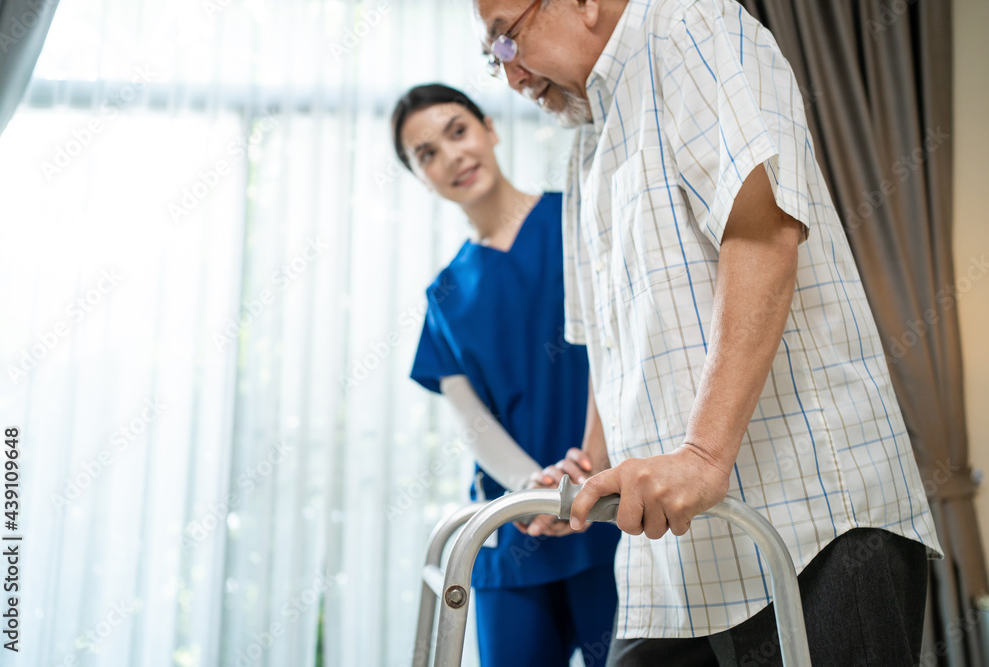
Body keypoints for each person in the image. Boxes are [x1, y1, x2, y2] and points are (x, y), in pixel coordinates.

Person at [469, 1, 943, 665]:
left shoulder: (690, 26)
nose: (513, 79)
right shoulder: (586, 139)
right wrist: (586, 469)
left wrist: (702, 454)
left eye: (507, 43)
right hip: (675, 566)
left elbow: (762, 232)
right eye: (494, 62)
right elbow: (612, 341)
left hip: (809, 523)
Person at [394, 83, 621, 667]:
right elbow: (472, 423)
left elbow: (618, 343)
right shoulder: (445, 294)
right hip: (514, 531)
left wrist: (579, 482)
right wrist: (533, 493)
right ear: (422, 177)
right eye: (427, 154)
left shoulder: (576, 219)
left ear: (490, 129)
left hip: (611, 509)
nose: (451, 157)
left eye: (457, 131)